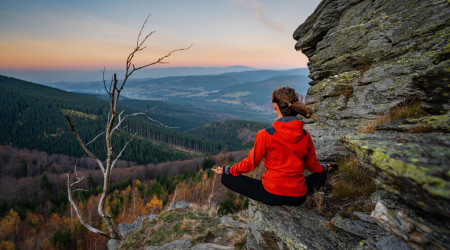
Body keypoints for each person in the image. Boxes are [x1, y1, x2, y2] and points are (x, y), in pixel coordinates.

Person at [212, 86, 331, 206]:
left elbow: (250, 164)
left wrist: (227, 170)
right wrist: (325, 168)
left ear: (275, 107)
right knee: (321, 175)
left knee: (226, 178)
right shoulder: (305, 135)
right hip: (298, 197)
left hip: (272, 194)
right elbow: (312, 166)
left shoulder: (265, 134)